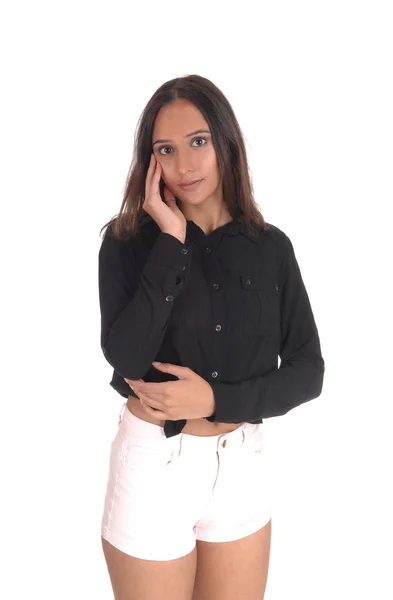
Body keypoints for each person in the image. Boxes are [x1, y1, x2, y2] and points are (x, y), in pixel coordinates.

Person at [98, 74, 325, 600]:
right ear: (150, 161)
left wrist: (218, 399)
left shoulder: (271, 248)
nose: (185, 165)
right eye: (166, 149)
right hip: (157, 466)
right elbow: (126, 356)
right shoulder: (128, 242)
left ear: (225, 141)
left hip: (241, 465)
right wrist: (173, 242)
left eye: (198, 142)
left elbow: (307, 370)